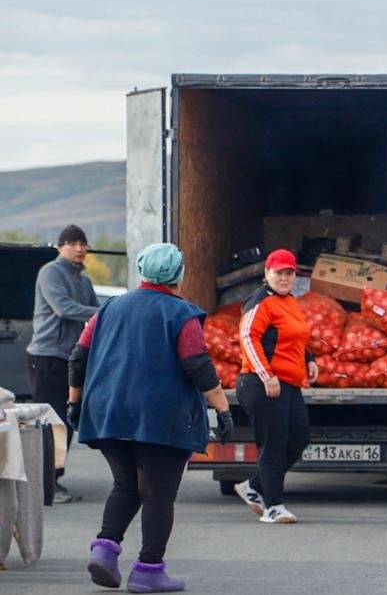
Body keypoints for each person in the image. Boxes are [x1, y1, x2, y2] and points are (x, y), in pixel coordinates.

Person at [67, 242, 234, 592]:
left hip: (109, 413)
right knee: (158, 493)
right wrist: (222, 407)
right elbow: (196, 365)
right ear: (178, 274)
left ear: (142, 270)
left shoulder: (108, 308)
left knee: (126, 485)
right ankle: (148, 570)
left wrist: (74, 402)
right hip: (159, 418)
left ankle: (104, 550)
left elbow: (78, 357)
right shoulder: (181, 314)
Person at [234, 248, 318, 524]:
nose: (284, 278)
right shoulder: (260, 300)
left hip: (289, 383)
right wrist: (266, 375)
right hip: (262, 383)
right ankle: (273, 506)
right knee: (274, 443)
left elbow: (296, 337)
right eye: (279, 272)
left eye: (289, 273)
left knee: (299, 437)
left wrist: (309, 359)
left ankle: (254, 486)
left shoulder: (290, 302)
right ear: (266, 273)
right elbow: (248, 337)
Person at [27, 223, 99, 503]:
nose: (79, 249)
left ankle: (54, 479)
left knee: (66, 420)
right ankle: (44, 483)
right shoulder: (51, 272)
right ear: (60, 247)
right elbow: (64, 308)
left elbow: (95, 315)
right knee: (49, 421)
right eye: (72, 243)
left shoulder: (84, 280)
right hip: (47, 356)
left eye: (83, 243)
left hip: (70, 357)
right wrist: (106, 312)